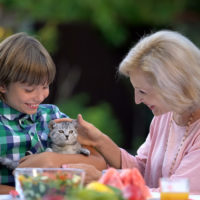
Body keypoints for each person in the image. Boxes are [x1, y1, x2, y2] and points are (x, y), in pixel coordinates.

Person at [63, 30, 200, 194]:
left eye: (143, 91)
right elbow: (142, 172)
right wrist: (99, 140)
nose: (137, 100)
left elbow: (175, 195)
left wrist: (103, 181)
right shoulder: (166, 115)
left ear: (172, 86)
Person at [0, 33, 106, 194]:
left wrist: (51, 160)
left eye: (45, 86)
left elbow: (97, 161)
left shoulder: (52, 116)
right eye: (29, 90)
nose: (39, 96)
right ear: (2, 85)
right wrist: (24, 193)